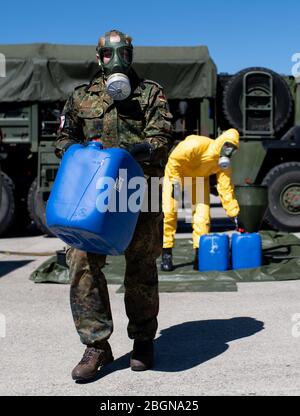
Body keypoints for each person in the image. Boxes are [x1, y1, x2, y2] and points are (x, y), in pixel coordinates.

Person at [54, 29, 173, 381]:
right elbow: (64, 136)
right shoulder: (81, 97)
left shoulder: (150, 93)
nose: (114, 60)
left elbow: (163, 137)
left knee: (141, 269)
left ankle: (143, 340)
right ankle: (96, 345)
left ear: (131, 55)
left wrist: (141, 150)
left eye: (121, 53)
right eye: (107, 54)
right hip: (92, 194)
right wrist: (76, 153)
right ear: (98, 57)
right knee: (82, 265)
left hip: (139, 189)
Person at [161, 129, 240, 272]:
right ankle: (166, 253)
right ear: (221, 142)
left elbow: (225, 187)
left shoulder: (223, 165)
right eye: (227, 147)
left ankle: (200, 254)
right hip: (176, 175)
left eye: (232, 150)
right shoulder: (196, 145)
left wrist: (233, 212)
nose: (228, 152)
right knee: (169, 211)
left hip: (198, 180)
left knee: (202, 217)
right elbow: (174, 160)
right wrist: (175, 185)